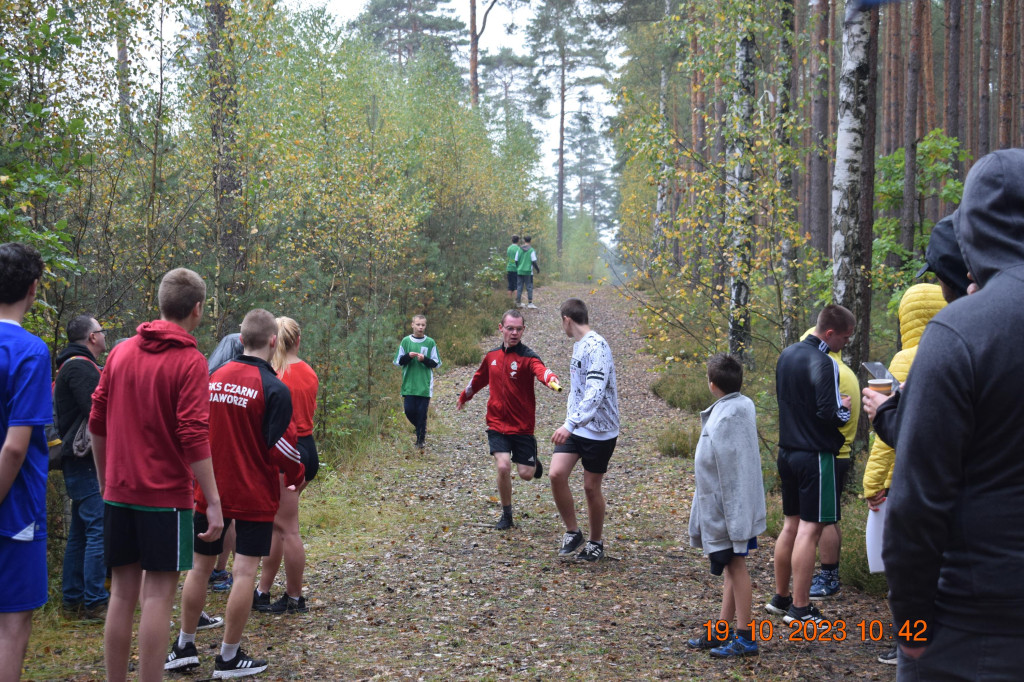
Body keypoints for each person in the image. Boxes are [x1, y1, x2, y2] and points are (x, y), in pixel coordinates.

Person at [885, 148, 1024, 676]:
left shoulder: (961, 332)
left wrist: (912, 626)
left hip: (976, 626)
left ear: (975, 228)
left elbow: (918, 501)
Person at [90, 268, 224, 682]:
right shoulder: (190, 362)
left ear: (161, 302)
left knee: (123, 595)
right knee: (157, 596)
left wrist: (104, 479)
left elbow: (97, 420)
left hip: (119, 491)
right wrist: (214, 501)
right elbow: (193, 435)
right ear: (197, 309)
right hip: (165, 497)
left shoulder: (121, 352)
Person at [166, 309, 304, 678]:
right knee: (244, 572)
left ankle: (184, 645)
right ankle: (228, 657)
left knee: (199, 567)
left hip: (209, 489)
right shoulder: (274, 387)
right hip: (252, 492)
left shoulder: (212, 378)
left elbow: (192, 430)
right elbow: (282, 446)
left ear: (240, 339)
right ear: (273, 341)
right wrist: (298, 473)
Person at [858, 283, 946, 666]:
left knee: (902, 571)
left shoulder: (904, 359)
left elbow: (886, 433)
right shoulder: (955, 349)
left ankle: (906, 645)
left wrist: (872, 482)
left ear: (906, 317)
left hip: (900, 480)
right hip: (942, 480)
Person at [765, 304, 854, 626]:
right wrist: (845, 407)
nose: (846, 343)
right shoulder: (824, 362)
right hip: (815, 455)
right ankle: (801, 608)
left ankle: (781, 598)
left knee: (791, 524)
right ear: (830, 333)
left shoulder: (787, 355)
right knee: (810, 529)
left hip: (787, 451)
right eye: (845, 338)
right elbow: (830, 414)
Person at [861, 214, 971, 446]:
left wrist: (884, 412)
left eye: (938, 274)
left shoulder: (946, 342)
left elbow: (926, 435)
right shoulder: (986, 326)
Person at [686, 353, 766, 657]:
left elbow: (733, 471)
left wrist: (728, 518)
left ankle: (745, 636)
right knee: (733, 567)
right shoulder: (736, 408)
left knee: (736, 566)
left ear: (711, 384)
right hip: (730, 505)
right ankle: (723, 630)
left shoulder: (731, 416)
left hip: (732, 508)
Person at [457, 309, 559, 530]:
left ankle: (533, 461)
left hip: (522, 427)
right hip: (496, 424)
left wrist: (550, 378)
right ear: (501, 328)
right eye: (510, 328)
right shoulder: (492, 356)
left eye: (519, 329)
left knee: (526, 474)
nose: (514, 333)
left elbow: (541, 371)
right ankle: (506, 515)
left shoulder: (528, 357)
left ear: (523, 330)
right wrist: (465, 396)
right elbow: (478, 379)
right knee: (503, 467)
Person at [0, 243, 50, 681]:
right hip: (13, 511)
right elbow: (16, 447)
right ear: (33, 289)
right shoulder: (29, 352)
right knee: (12, 623)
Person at [255, 316, 319, 614]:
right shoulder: (308, 371)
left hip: (287, 453)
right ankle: (262, 590)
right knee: (277, 525)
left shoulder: (274, 375)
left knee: (287, 528)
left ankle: (294, 598)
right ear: (298, 339)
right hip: (307, 447)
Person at [549, 298, 620, 562]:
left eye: (562, 322)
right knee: (556, 474)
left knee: (591, 488)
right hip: (577, 426)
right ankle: (573, 531)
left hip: (600, 431)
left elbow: (595, 392)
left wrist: (569, 424)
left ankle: (595, 542)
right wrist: (571, 419)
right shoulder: (579, 345)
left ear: (567, 319)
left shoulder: (597, 346)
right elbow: (579, 390)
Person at [796, 325, 861, 601]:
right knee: (824, 518)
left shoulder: (828, 371)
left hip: (832, 453)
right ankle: (824, 575)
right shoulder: (840, 369)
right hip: (836, 450)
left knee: (826, 520)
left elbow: (827, 414)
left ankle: (829, 577)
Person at [55, 314, 108, 621]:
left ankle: (74, 599)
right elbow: (98, 413)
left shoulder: (72, 366)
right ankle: (95, 601)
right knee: (98, 528)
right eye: (100, 331)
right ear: (91, 337)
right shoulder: (80, 367)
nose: (103, 336)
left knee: (80, 530)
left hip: (79, 462)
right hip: (86, 462)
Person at [393, 314, 441, 451]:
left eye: (423, 325)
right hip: (409, 385)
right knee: (409, 411)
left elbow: (436, 364)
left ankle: (420, 440)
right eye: (418, 324)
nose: (420, 327)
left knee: (421, 413)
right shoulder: (406, 341)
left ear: (425, 326)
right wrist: (408, 356)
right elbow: (398, 361)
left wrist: (424, 359)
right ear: (412, 325)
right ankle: (420, 427)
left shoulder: (430, 342)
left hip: (424, 386)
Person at [514, 235, 539, 309]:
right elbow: (534, 261)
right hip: (528, 272)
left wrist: (518, 267)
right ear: (530, 241)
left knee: (519, 287)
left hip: (520, 271)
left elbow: (516, 260)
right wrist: (537, 269)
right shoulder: (531, 250)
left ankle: (518, 303)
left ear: (524, 241)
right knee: (529, 287)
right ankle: (530, 303)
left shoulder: (519, 249)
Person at [505, 235, 520, 300]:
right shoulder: (518, 249)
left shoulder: (509, 248)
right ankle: (517, 302)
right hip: (516, 269)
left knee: (510, 286)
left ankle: (509, 301)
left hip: (509, 268)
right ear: (518, 240)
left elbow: (508, 257)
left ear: (512, 240)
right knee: (516, 286)